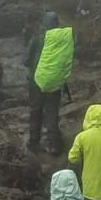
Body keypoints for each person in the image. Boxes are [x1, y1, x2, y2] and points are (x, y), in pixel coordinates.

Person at [24, 11, 74, 154]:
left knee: (36, 110)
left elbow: (26, 61)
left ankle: (34, 143)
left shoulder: (38, 38)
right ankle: (54, 145)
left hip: (36, 81)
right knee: (52, 112)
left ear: (44, 23)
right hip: (55, 81)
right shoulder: (64, 38)